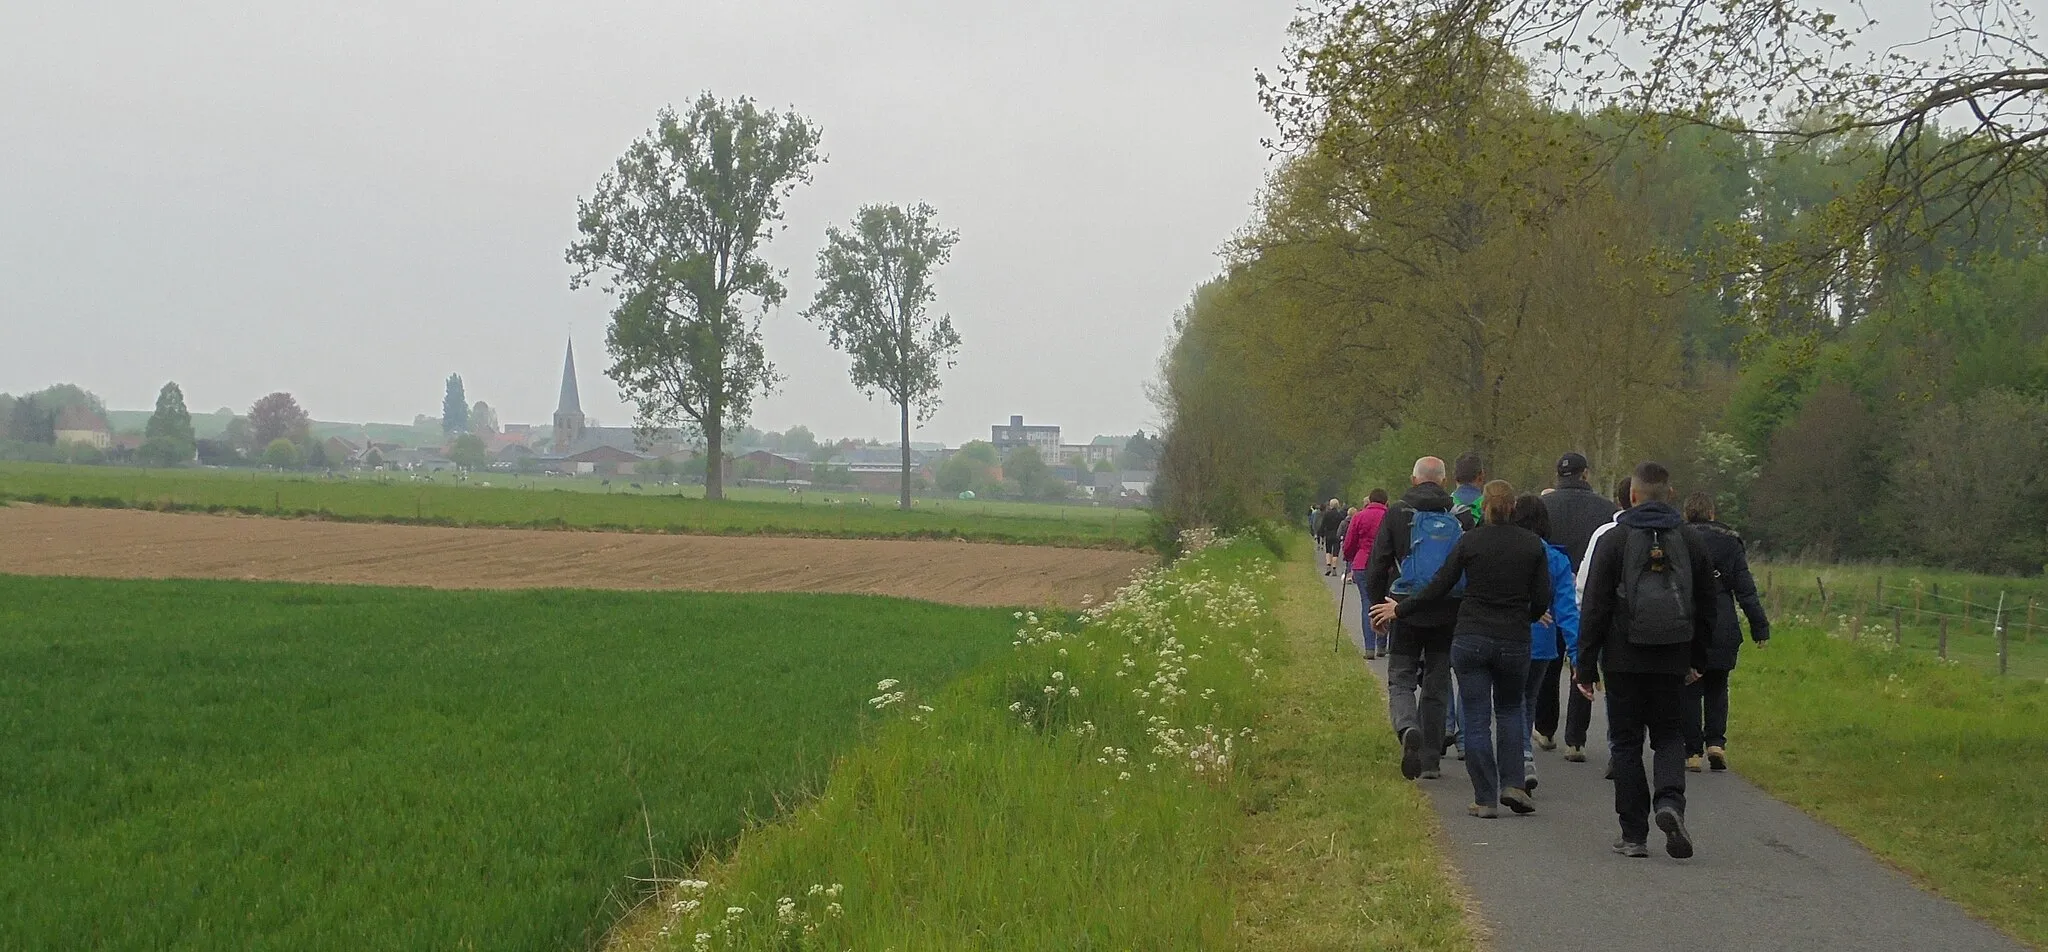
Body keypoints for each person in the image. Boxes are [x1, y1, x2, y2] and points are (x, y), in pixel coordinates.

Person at [1373, 479, 1551, 818]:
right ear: (1513, 508)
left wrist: (1401, 609)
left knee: (1477, 716)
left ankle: (1484, 797)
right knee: (1512, 711)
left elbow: (1440, 585)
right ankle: (1512, 783)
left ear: (1484, 507)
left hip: (1471, 638)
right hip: (1514, 640)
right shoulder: (1532, 546)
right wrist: (1523, 613)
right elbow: (1542, 599)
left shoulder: (1470, 541)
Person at [1575, 462, 1718, 859]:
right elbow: (1708, 605)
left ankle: (1634, 834)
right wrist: (1698, 658)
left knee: (1625, 742)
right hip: (1673, 654)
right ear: (1669, 494)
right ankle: (1670, 803)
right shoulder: (1690, 540)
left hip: (1622, 657)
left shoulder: (1615, 539)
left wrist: (1585, 666)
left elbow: (1595, 607)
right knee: (1670, 735)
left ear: (1632, 496)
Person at [1363, 457, 1474, 782]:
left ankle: (1407, 727)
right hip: (1447, 610)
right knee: (1437, 684)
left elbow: (1378, 564)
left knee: (1400, 679)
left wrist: (1378, 607)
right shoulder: (1461, 516)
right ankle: (1429, 761)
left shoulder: (1397, 513)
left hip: (1403, 610)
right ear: (1442, 481)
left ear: (1414, 480)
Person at [1681, 492, 1771, 771]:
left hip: (1689, 619)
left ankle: (1692, 751)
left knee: (1689, 687)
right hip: (1722, 622)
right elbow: (1745, 589)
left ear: (1687, 514)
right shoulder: (1730, 542)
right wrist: (1759, 626)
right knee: (1718, 684)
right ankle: (1716, 742)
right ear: (1712, 513)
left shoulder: (1680, 538)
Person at [1534, 453, 1618, 753]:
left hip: (1548, 591)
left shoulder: (1543, 506)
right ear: (1585, 475)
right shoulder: (1607, 509)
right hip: (1591, 594)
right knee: (1583, 660)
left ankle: (1544, 727)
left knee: (1549, 661)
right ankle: (1576, 739)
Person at [1511, 493, 1578, 793]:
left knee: (1506, 703)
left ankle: (1516, 758)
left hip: (1507, 636)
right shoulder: (1557, 559)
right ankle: (1523, 756)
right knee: (1527, 701)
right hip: (1542, 645)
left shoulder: (1504, 551)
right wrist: (1578, 655)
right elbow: (1568, 611)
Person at [1344, 489, 1391, 658]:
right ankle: (1382, 644)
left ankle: (1369, 648)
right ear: (1386, 502)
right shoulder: (1391, 516)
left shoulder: (1359, 516)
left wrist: (1349, 557)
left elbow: (1350, 543)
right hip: (1387, 565)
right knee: (1386, 603)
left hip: (1362, 563)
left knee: (1367, 603)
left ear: (1369, 501)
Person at [1317, 499, 1347, 575]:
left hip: (1328, 534)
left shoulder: (1327, 514)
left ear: (1331, 505)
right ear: (1338, 505)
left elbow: (1323, 525)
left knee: (1328, 550)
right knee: (1336, 552)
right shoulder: (1340, 515)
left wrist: (1320, 533)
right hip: (1337, 534)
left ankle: (1328, 566)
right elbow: (1343, 525)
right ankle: (1334, 568)